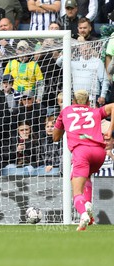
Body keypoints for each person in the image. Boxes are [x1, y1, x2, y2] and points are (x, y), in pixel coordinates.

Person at [53, 89, 114, 231]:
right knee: (87, 178)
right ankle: (88, 208)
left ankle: (83, 214)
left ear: (73, 101)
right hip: (99, 153)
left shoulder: (66, 111)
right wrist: (110, 130)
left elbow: (55, 137)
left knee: (76, 191)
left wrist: (63, 127)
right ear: (88, 102)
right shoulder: (95, 111)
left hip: (81, 152)